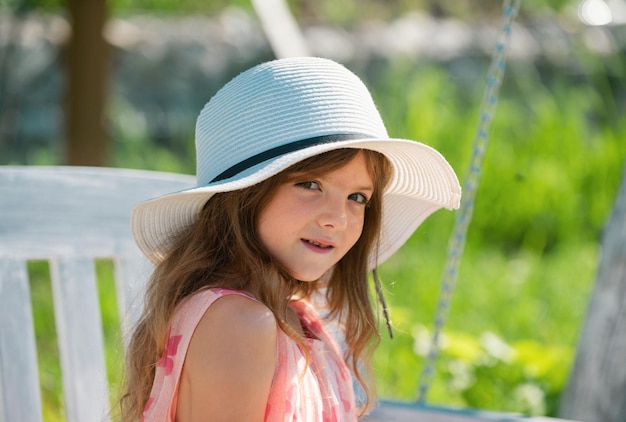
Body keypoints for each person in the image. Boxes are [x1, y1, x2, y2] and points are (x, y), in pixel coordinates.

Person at [120, 56, 461, 421]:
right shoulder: (237, 323)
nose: (337, 218)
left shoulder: (293, 312)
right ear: (245, 196)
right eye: (310, 185)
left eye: (357, 197)